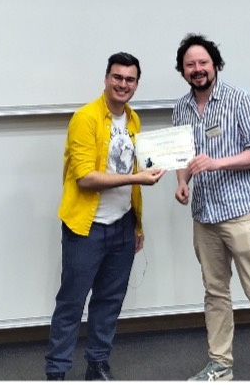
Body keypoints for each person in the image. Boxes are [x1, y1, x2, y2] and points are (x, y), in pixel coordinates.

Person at [172, 34, 250, 382]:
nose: (197, 69)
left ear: (215, 65)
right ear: (183, 70)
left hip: (241, 213)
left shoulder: (241, 100)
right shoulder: (181, 108)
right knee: (215, 293)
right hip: (204, 216)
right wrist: (182, 182)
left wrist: (216, 163)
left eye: (203, 62)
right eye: (190, 65)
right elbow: (182, 156)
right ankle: (220, 365)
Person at [45, 52, 166, 381]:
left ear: (136, 84)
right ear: (106, 79)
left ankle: (97, 364)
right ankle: (56, 371)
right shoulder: (85, 119)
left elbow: (135, 174)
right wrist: (137, 178)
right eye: (117, 77)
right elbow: (85, 178)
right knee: (71, 303)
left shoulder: (133, 120)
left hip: (123, 226)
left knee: (109, 301)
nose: (123, 84)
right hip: (87, 228)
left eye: (130, 80)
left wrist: (137, 224)